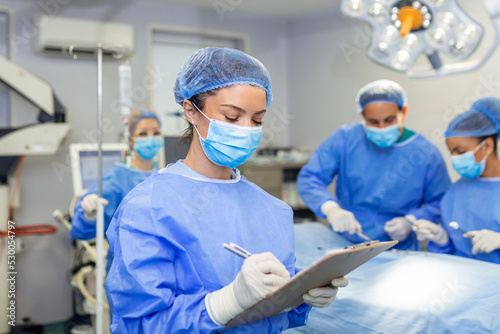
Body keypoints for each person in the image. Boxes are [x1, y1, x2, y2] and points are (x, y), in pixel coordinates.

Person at [104, 47, 348, 333]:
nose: (246, 129)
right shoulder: (149, 208)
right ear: (191, 111)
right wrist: (226, 302)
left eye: (257, 119)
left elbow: (276, 316)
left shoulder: (273, 208)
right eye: (233, 117)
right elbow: (140, 324)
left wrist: (302, 295)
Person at [297, 80, 451, 250]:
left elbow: (441, 200)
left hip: (398, 247)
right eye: (374, 122)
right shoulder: (345, 139)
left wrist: (411, 220)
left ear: (404, 112)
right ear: (363, 116)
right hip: (345, 242)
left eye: (389, 120)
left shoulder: (425, 152)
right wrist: (331, 208)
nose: (382, 127)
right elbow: (309, 178)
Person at [71, 109, 163, 271]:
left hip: (163, 265)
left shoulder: (165, 176)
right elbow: (82, 231)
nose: (150, 138)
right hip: (129, 272)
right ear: (131, 140)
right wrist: (88, 215)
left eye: (155, 133)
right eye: (142, 134)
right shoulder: (118, 178)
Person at [413, 97, 500, 264]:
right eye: (451, 152)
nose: (454, 158)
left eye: (460, 152)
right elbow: (452, 256)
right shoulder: (456, 192)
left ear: (487, 146)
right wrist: (442, 240)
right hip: (463, 284)